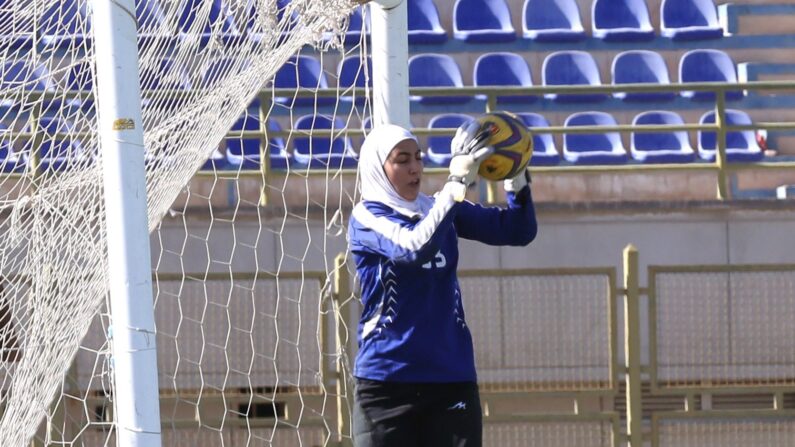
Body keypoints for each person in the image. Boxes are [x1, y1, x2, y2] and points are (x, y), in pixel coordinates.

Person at [348, 122, 538, 447]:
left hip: (451, 378)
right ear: (378, 167)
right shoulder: (367, 217)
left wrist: (515, 174)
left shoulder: (440, 206)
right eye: (402, 159)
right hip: (386, 383)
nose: (414, 167)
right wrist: (456, 184)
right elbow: (413, 247)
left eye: (418, 158)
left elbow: (519, 230)